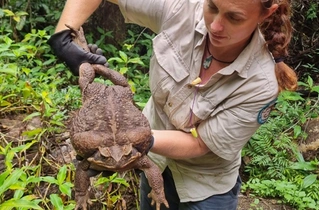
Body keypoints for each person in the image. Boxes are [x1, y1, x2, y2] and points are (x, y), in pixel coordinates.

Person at [48, 0, 298, 209]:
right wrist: (63, 39)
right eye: (212, 6)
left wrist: (127, 142)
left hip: (205, 186)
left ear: (267, 13)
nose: (215, 24)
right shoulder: (183, 9)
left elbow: (201, 143)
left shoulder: (261, 83)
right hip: (154, 163)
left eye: (234, 17)